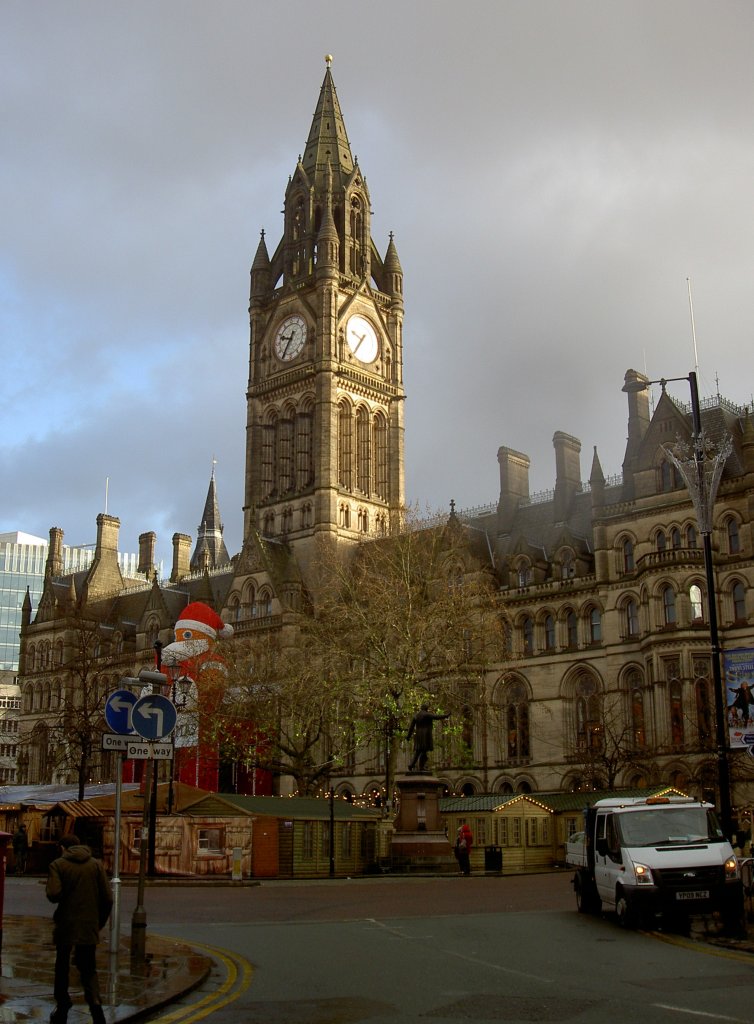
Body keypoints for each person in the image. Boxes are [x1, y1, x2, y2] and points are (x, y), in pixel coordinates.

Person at [46, 834, 113, 1024]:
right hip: (88, 925)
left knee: (62, 965)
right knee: (88, 968)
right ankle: (95, 1004)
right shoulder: (96, 865)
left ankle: (63, 1002)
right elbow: (108, 898)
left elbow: (53, 894)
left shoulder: (58, 865)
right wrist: (98, 923)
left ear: (62, 848)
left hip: (66, 924)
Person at [407, 703, 450, 771]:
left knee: (418, 751)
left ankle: (411, 765)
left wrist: (408, 736)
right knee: (423, 751)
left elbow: (411, 727)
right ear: (426, 708)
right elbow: (437, 717)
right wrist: (446, 715)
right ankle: (420, 766)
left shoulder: (416, 715)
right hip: (425, 734)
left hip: (418, 735)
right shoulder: (426, 714)